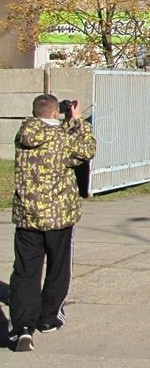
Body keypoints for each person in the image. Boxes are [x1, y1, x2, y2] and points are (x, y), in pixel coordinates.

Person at [8, 94, 97, 353]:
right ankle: (48, 317)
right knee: (58, 267)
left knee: (25, 271)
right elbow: (87, 149)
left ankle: (23, 328)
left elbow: (50, 138)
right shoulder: (63, 140)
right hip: (58, 216)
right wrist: (78, 121)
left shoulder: (23, 135)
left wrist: (64, 122)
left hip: (28, 216)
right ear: (56, 112)